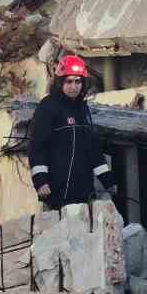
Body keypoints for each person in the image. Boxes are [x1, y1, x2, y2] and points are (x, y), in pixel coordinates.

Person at [29, 54, 116, 209]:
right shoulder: (48, 106)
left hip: (83, 192)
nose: (74, 86)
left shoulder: (82, 109)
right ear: (60, 82)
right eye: (69, 81)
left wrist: (108, 180)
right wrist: (41, 181)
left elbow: (92, 149)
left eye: (78, 81)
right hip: (56, 192)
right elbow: (37, 146)